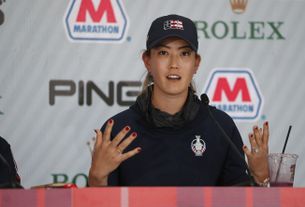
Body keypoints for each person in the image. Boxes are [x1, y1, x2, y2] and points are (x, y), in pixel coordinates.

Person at [88, 14, 269, 186]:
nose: (174, 63)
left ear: (196, 63)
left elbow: (238, 205)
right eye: (163, 53)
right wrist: (97, 179)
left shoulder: (221, 127)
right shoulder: (119, 130)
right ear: (148, 61)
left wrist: (261, 179)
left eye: (184, 54)